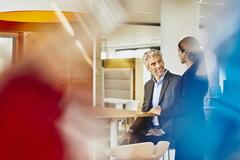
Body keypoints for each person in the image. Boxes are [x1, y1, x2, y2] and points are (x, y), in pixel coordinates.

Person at [119, 49, 180, 146]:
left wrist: (162, 131)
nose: (158, 66)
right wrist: (130, 130)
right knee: (124, 142)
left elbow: (180, 110)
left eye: (160, 61)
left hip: (168, 132)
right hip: (149, 129)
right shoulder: (148, 85)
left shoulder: (177, 81)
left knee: (136, 144)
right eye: (153, 64)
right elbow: (144, 112)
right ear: (148, 68)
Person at [173, 36, 208, 160]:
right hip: (193, 130)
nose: (178, 55)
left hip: (189, 132)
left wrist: (162, 112)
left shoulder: (192, 75)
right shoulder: (198, 72)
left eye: (179, 51)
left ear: (185, 52)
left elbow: (185, 106)